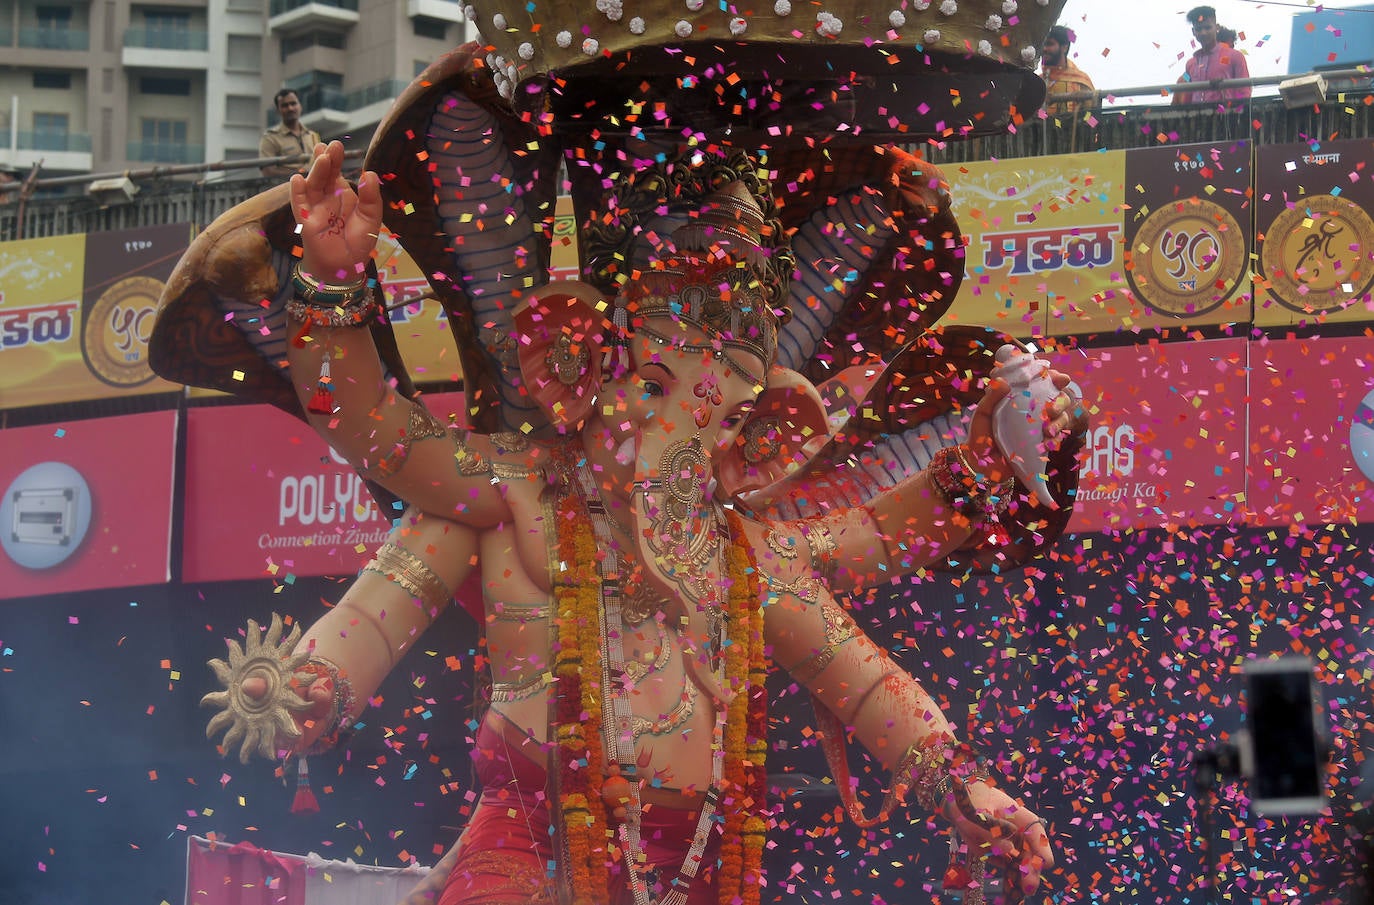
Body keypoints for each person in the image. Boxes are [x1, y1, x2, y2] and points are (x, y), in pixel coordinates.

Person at [187, 130, 1090, 905]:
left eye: (725, 414)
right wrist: (335, 285)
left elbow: (864, 667)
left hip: (703, 869)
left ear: (760, 432)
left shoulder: (741, 555)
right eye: (654, 388)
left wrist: (965, 785)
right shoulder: (508, 494)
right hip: (528, 857)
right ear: (578, 373)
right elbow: (378, 435)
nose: (683, 437)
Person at [1173, 6, 1251, 106]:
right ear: (1193, 32)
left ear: (1217, 27)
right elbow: (1187, 96)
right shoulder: (1191, 64)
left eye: (1207, 27)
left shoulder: (1235, 56)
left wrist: (1237, 110)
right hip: (1197, 119)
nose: (1203, 33)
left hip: (1227, 117)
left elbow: (1244, 93)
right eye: (1199, 29)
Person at [259, 88, 321, 178]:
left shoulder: (312, 135)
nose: (290, 108)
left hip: (315, 187)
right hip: (287, 188)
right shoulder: (270, 138)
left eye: (293, 103)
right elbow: (268, 172)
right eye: (285, 105)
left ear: (300, 106)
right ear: (278, 110)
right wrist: (299, 174)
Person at [1041, 25, 1095, 117]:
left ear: (1064, 47)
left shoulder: (1081, 80)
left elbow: (1093, 117)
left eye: (1049, 44)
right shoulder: (1038, 82)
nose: (1044, 49)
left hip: (1074, 130)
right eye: (1043, 44)